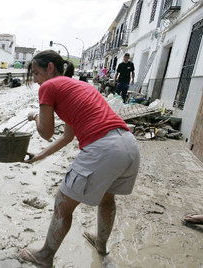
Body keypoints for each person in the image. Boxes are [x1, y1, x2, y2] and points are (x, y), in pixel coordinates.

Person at [20, 50, 140, 267]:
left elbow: (46, 132)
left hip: (103, 148)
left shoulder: (49, 86)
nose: (36, 80)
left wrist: (35, 116)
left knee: (63, 205)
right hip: (128, 144)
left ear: (49, 68)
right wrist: (40, 156)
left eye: (36, 73)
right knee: (107, 199)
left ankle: (45, 256)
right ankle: (101, 244)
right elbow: (68, 136)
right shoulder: (80, 86)